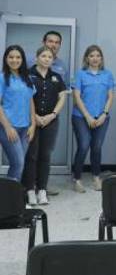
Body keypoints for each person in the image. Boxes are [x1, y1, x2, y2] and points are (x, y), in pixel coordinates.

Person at [23, 46, 66, 205]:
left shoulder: (56, 77)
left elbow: (62, 98)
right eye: (43, 56)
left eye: (50, 57)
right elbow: (24, 97)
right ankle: (29, 189)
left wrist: (52, 115)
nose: (47, 59)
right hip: (31, 121)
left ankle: (42, 189)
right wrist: (35, 117)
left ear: (53, 60)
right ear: (37, 58)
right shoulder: (27, 75)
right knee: (31, 155)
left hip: (50, 121)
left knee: (45, 156)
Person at [71, 45, 115, 193]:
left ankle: (96, 177)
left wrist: (104, 114)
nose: (95, 58)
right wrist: (88, 116)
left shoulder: (107, 75)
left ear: (101, 58)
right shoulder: (80, 74)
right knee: (83, 146)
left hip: (102, 117)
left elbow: (110, 96)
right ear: (86, 58)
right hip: (81, 117)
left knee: (96, 147)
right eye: (91, 56)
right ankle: (77, 179)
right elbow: (77, 97)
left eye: (98, 55)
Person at [0, 46, 36, 182]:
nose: (14, 60)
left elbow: (31, 102)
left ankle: (12, 197)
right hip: (9, 127)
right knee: (18, 163)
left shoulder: (27, 78)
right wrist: (8, 127)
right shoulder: (2, 78)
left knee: (18, 164)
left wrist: (33, 125)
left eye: (18, 57)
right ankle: (10, 199)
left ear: (22, 59)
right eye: (11, 57)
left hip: (25, 128)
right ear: (6, 59)